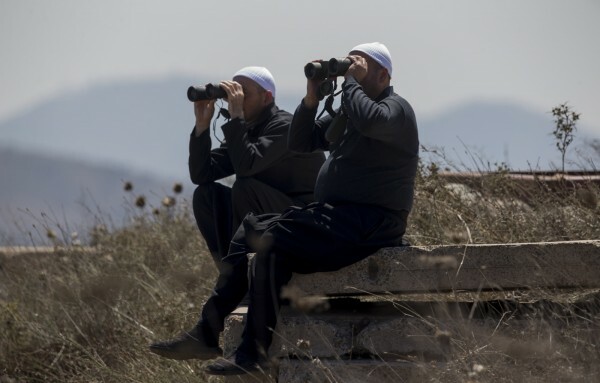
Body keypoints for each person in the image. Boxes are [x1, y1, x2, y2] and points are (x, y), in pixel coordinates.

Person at [200, 42, 420, 375]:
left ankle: (207, 330)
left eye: (360, 70)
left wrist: (349, 82)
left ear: (383, 74)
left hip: (372, 222)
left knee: (263, 232)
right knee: (267, 248)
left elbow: (372, 121)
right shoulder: (351, 113)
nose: (352, 76)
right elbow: (301, 142)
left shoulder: (396, 109)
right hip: (340, 220)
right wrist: (311, 98)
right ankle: (249, 352)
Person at [148, 67, 324, 360]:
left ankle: (242, 282)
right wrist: (202, 126)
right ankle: (233, 276)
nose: (236, 101)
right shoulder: (246, 130)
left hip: (301, 220)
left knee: (243, 186)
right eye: (232, 94)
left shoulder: (285, 126)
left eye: (243, 95)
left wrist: (236, 120)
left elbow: (246, 167)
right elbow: (201, 174)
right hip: (269, 217)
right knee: (207, 195)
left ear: (267, 97)